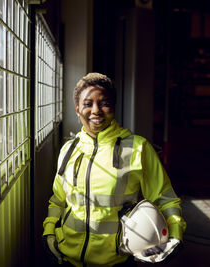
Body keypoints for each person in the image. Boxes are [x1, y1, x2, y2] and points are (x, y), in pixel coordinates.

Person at [43, 73, 186, 266]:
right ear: (77, 109)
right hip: (68, 258)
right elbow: (58, 200)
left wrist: (175, 235)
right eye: (87, 104)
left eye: (104, 103)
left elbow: (165, 198)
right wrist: (50, 232)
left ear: (113, 107)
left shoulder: (138, 148)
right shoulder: (69, 150)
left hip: (118, 260)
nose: (96, 111)